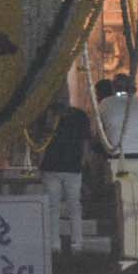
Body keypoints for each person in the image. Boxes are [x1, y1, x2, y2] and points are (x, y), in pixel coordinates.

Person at [37, 100, 94, 251]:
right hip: (68, 167)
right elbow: (86, 141)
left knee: (57, 207)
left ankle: (56, 244)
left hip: (55, 167)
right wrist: (83, 161)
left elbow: (42, 139)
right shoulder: (79, 116)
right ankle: (75, 243)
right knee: (72, 206)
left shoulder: (49, 115)